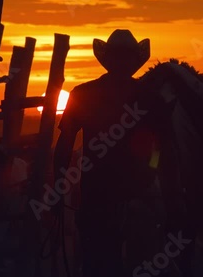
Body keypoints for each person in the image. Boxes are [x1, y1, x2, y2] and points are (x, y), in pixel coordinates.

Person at [54, 29, 158, 277]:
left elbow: (64, 144)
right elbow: (157, 147)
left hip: (100, 194)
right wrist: (151, 174)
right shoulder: (148, 95)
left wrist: (59, 189)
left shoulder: (83, 93)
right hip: (133, 194)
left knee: (97, 262)